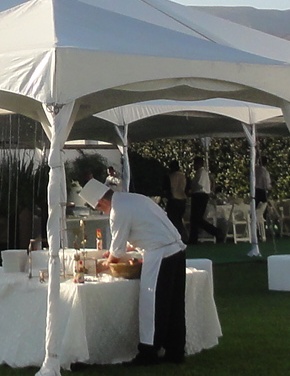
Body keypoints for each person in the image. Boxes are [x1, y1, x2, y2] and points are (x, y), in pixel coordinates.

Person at [80, 177, 188, 365]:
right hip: (177, 252)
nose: (102, 211)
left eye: (99, 208)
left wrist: (102, 264)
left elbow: (117, 250)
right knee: (174, 305)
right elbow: (145, 228)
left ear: (101, 202)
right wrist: (124, 249)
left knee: (153, 304)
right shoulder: (136, 199)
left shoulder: (117, 211)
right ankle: (175, 350)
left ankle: (149, 352)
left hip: (160, 255)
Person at [186, 155, 223, 244]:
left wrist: (191, 189)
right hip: (199, 195)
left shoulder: (202, 173)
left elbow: (200, 185)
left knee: (197, 218)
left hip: (200, 195)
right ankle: (193, 238)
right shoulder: (200, 172)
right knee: (195, 219)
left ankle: (216, 232)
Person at [165, 161, 188, 234]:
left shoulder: (169, 177)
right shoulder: (183, 176)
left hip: (173, 199)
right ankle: (182, 235)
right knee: (179, 219)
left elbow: (166, 189)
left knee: (173, 220)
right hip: (183, 199)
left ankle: (175, 235)